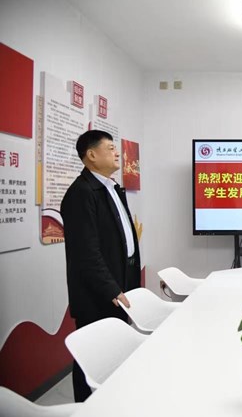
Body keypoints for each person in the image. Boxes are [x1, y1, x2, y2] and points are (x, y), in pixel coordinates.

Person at [61, 129, 140, 402]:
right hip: (98, 293)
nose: (117, 153)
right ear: (92, 155)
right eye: (110, 148)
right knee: (92, 354)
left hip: (119, 284)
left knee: (113, 351)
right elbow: (85, 252)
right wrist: (111, 289)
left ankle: (110, 401)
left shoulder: (110, 187)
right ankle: (85, 406)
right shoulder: (81, 193)